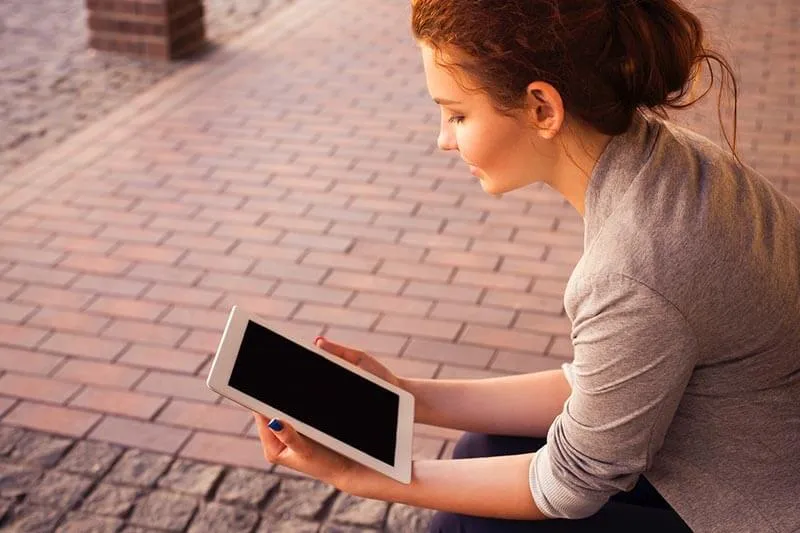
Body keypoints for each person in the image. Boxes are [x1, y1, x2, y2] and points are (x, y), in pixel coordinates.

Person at [252, 0, 800, 531]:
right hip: (742, 457)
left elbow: (570, 484)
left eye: (457, 114)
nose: (444, 139)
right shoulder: (672, 160)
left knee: (471, 523)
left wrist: (359, 476)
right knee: (480, 449)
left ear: (543, 108)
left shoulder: (632, 268)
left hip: (752, 505)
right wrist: (407, 396)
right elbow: (603, 382)